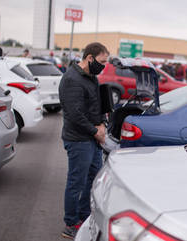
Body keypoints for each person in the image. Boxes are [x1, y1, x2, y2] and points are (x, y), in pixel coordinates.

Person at [59, 42, 109, 239]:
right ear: (90, 58)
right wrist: (95, 131)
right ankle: (70, 223)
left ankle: (84, 216)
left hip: (91, 137)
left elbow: (95, 105)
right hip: (79, 139)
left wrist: (102, 124)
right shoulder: (72, 79)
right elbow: (74, 114)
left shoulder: (91, 77)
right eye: (102, 61)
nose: (103, 66)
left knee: (93, 178)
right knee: (76, 182)